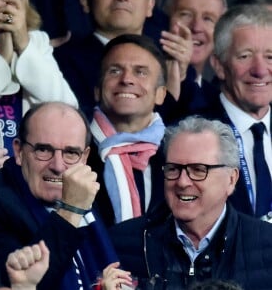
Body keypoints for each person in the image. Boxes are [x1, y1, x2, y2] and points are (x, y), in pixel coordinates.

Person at [109, 116, 272, 290]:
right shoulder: (120, 244)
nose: (182, 182)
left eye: (198, 170)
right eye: (173, 169)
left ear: (231, 179)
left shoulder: (267, 243)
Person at [0, 102, 119, 290]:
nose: (58, 166)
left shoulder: (83, 191)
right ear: (19, 151)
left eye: (71, 153)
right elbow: (20, 282)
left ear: (84, 157)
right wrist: (70, 211)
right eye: (43, 150)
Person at [0, 0, 78, 158]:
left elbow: (67, 112)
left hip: (30, 171)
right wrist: (0, 60)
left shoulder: (36, 42)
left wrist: (23, 44)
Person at [54, 0, 190, 120]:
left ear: (150, 4)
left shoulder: (170, 66)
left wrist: (179, 78)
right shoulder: (56, 64)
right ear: (85, 0)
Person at [88, 34, 167, 227]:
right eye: (115, 71)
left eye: (141, 72)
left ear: (160, 94)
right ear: (97, 90)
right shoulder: (73, 150)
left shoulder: (178, 153)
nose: (126, 79)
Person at [205, 4, 272, 217]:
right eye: (245, 56)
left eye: (270, 56)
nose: (260, 71)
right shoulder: (193, 132)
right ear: (218, 65)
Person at [158, 0, 227, 124]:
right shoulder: (141, 85)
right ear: (164, 19)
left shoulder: (219, 100)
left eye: (208, 18)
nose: (196, 27)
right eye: (185, 14)